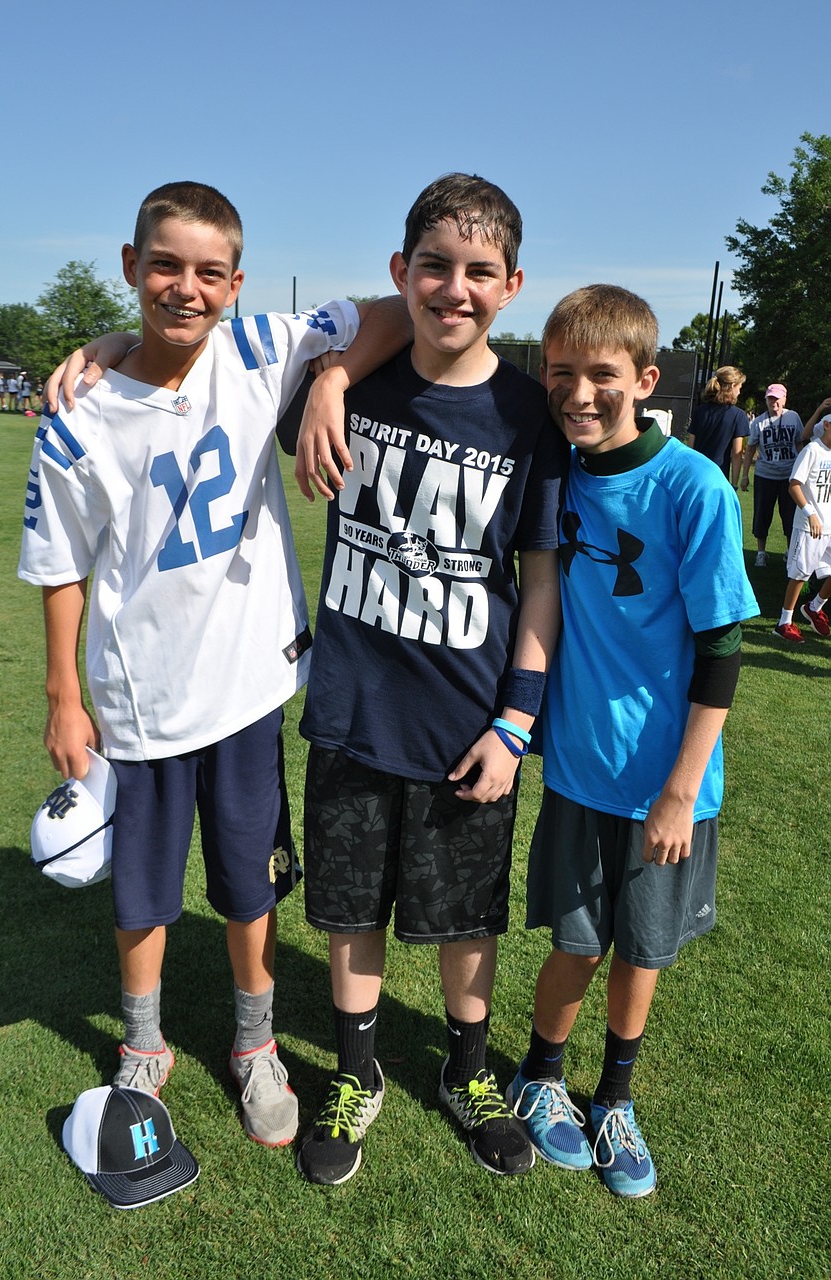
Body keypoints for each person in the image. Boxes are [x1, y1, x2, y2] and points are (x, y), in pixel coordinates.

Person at [19, 180, 408, 1150]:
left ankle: (254, 1042)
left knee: (248, 883)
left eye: (207, 272)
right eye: (164, 266)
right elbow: (60, 567)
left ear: (235, 283)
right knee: (142, 891)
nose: (184, 288)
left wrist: (329, 379)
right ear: (131, 266)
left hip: (245, 690)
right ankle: (142, 1043)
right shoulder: (79, 414)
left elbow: (396, 311)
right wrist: (63, 694)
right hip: (138, 699)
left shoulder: (261, 348)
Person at [291, 173, 566, 1186]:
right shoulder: (348, 384)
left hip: (468, 718)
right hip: (355, 704)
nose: (455, 288)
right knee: (350, 909)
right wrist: (328, 374)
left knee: (467, 918)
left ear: (512, 285)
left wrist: (515, 722)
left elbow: (540, 581)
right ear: (400, 272)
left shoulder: (530, 414)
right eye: (435, 267)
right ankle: (355, 1072)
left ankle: (467, 1070)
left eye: (480, 271)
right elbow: (196, 356)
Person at [505, 285, 758, 1198]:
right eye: (561, 372)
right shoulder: (555, 475)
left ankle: (613, 1099)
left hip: (667, 788)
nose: (579, 393)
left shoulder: (693, 486)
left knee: (641, 952)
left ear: (647, 381)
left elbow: (722, 651)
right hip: (581, 771)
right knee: (576, 945)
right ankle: (539, 1077)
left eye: (602, 374)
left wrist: (682, 790)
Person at [772, 413, 831, 643]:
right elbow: (794, 485)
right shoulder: (812, 450)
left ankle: (814, 607)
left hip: (828, 525)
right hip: (809, 526)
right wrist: (811, 514)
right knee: (800, 575)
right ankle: (783, 623)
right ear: (826, 425)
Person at [740, 383, 804, 566]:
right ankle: (761, 553)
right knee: (762, 514)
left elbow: (799, 443)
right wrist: (745, 476)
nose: (773, 402)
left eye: (777, 398)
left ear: (784, 399)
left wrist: (803, 472)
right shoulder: (759, 422)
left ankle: (789, 552)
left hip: (788, 476)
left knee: (790, 515)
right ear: (766, 400)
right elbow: (750, 448)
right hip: (765, 475)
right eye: (770, 398)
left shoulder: (793, 417)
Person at [685, 365, 749, 484]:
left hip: (697, 474)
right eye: (739, 387)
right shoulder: (738, 415)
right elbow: (737, 454)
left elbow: (690, 446)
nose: (739, 392)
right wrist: (734, 484)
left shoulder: (700, 411)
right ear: (732, 386)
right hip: (719, 476)